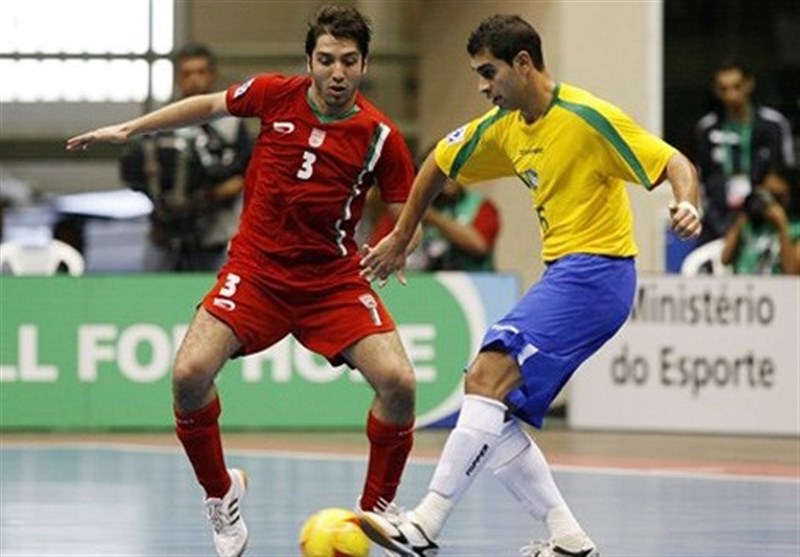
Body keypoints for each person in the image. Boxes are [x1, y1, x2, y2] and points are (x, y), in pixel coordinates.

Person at [67, 6, 421, 557]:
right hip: (255, 272)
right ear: (309, 60)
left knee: (398, 382)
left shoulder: (380, 135)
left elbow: (406, 210)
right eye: (326, 60)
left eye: (348, 62)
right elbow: (208, 106)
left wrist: (400, 242)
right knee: (188, 373)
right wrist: (134, 127)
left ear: (364, 65)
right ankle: (220, 494)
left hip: (331, 281)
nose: (336, 73)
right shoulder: (275, 94)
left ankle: (377, 509)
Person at [358, 14, 701, 557]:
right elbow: (438, 162)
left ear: (523, 63)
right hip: (564, 274)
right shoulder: (505, 127)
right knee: (489, 400)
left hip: (597, 273)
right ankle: (567, 536)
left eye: (488, 72)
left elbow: (673, 161)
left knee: (486, 376)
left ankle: (425, 524)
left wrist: (686, 203)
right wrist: (404, 233)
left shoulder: (587, 118)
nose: (481, 85)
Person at [119, 43, 252, 271]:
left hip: (215, 236)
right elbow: (136, 169)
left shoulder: (231, 123)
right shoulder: (161, 121)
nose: (194, 80)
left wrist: (207, 195)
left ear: (212, 75)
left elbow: (245, 176)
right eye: (187, 73)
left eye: (201, 72)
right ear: (178, 77)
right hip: (164, 232)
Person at [693, 61, 796, 245]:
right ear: (716, 91)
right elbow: (701, 177)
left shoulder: (773, 125)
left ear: (749, 85)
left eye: (736, 87)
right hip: (718, 217)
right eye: (723, 89)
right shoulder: (707, 128)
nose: (731, 95)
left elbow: (786, 173)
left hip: (762, 215)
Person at [371, 175, 501, 271]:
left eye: (453, 171)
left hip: (473, 286)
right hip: (420, 285)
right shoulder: (410, 208)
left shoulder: (480, 205)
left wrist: (431, 217)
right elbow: (376, 251)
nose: (448, 178)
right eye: (440, 173)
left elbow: (479, 245)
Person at [721, 165, 800, 274]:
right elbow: (725, 259)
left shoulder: (796, 229)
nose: (770, 201)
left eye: (777, 197)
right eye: (766, 195)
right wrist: (744, 215)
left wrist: (782, 225)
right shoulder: (749, 223)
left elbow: (792, 273)